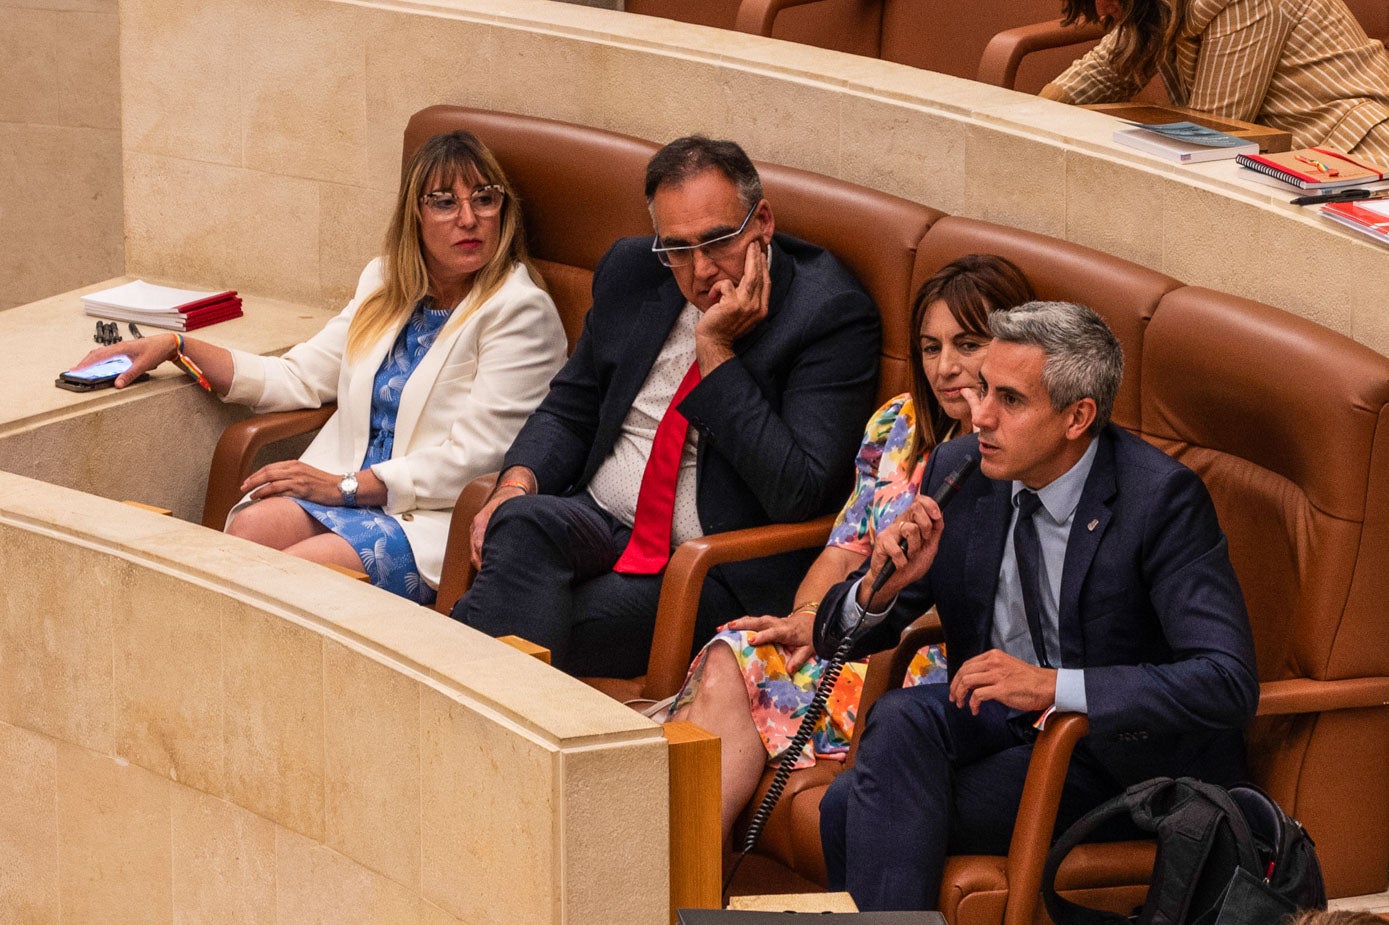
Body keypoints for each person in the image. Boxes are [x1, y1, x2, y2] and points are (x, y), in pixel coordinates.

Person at [814, 301, 1259, 911]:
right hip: (994, 723)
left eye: (1011, 400)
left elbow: (1225, 681)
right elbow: (833, 639)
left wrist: (1054, 686)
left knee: (847, 806)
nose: (980, 417)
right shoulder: (962, 469)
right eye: (981, 390)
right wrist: (880, 587)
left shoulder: (1159, 501)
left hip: (1110, 756)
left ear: (1078, 417)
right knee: (899, 718)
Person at [71, 130, 567, 604]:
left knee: (300, 575)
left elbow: (477, 458)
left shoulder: (519, 310)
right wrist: (177, 346)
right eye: (444, 202)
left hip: (428, 517)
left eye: (485, 198)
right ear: (414, 215)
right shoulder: (386, 282)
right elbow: (300, 376)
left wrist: (343, 487)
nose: (468, 218)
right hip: (346, 495)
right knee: (245, 533)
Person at [451, 135, 881, 678]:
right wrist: (515, 483)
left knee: (516, 621)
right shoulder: (634, 269)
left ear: (762, 222)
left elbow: (799, 491)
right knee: (519, 520)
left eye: (718, 241)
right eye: (677, 248)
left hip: (706, 564)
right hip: (600, 517)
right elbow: (572, 405)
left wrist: (717, 353)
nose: (700, 270)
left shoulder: (828, 314)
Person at [666, 254, 1036, 844]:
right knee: (735, 651)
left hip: (924, 658)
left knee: (725, 690)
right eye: (930, 347)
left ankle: (671, 885)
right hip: (853, 628)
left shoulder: (1021, 454)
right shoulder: (900, 423)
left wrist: (863, 619)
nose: (945, 367)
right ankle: (681, 882)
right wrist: (808, 621)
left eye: (968, 344)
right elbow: (843, 550)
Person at [1040, 0, 1389, 163]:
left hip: (1355, 155)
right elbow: (1107, 66)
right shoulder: (1153, 7)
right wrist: (1033, 114)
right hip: (1290, 160)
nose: (1100, 10)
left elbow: (1211, 134)